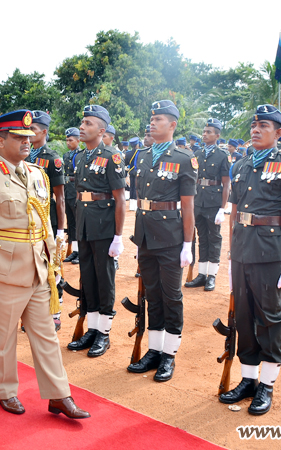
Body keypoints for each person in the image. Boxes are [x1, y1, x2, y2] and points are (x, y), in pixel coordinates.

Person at [0, 109, 90, 419]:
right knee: (2, 337)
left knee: (45, 334)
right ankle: (4, 391)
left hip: (37, 267)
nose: (26, 142)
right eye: (19, 138)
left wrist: (52, 262)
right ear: (0, 140)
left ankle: (59, 394)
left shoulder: (36, 173)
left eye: (29, 137)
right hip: (4, 268)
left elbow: (42, 219)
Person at [219, 104, 281, 416]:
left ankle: (267, 385)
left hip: (269, 252)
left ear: (278, 133)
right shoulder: (240, 165)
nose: (256, 130)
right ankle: (248, 380)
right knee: (243, 317)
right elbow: (234, 214)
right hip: (241, 250)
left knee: (268, 319)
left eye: (264, 126)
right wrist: (230, 257)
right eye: (254, 124)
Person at [127, 100, 197, 382]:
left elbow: (188, 206)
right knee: (152, 295)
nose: (152, 122)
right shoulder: (141, 155)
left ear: (173, 125)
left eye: (159, 119)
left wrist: (188, 245)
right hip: (145, 236)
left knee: (171, 297)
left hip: (170, 238)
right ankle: (154, 351)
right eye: (152, 118)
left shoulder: (183, 158)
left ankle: (169, 355)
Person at [66, 105, 126, 358]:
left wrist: (118, 237)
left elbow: (120, 199)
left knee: (104, 279)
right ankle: (91, 329)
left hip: (104, 227)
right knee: (87, 277)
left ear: (101, 130)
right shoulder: (81, 157)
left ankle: (104, 333)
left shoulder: (112, 156)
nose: (82, 127)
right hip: (85, 225)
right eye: (82, 122)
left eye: (88, 123)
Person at [28, 111, 66, 328]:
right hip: (28, 220)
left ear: (44, 131)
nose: (29, 133)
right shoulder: (23, 156)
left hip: (47, 219)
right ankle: (35, 311)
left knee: (51, 264)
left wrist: (60, 229)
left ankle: (55, 311)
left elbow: (59, 198)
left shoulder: (52, 159)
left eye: (33, 129)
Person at [184, 118, 230, 291]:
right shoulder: (198, 154)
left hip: (213, 201)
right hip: (198, 200)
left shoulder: (223, 155)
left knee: (214, 238)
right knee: (202, 237)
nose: (205, 134)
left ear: (217, 135)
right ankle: (202, 274)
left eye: (209, 132)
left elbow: (226, 184)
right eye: (204, 131)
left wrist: (222, 208)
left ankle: (212, 275)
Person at [62, 127, 82, 264]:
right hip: (67, 190)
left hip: (76, 189)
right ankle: (75, 250)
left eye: (71, 140)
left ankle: (82, 251)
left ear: (78, 140)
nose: (68, 143)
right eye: (67, 140)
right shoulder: (66, 155)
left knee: (79, 222)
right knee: (71, 223)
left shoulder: (82, 154)